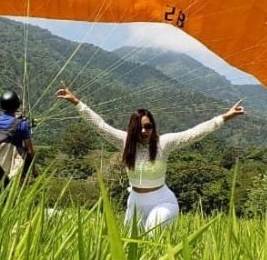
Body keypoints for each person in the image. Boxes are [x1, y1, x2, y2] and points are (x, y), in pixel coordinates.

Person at [54, 84, 244, 231]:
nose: (145, 131)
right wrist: (77, 102)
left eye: (149, 126)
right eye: (140, 127)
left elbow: (195, 132)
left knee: (154, 230)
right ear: (133, 129)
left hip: (162, 201)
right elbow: (100, 126)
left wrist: (225, 117)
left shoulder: (164, 143)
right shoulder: (125, 142)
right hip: (135, 203)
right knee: (131, 248)